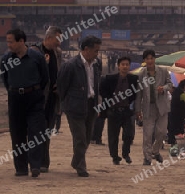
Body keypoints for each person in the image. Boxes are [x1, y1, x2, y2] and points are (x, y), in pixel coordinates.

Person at [1, 29, 49, 178]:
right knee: (17, 133)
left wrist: (34, 91)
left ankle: (35, 166)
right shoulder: (6, 59)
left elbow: (44, 78)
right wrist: (14, 90)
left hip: (34, 98)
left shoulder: (36, 57)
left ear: (21, 41)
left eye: (11, 41)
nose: (8, 44)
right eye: (7, 41)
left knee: (36, 132)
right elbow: (5, 79)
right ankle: (21, 168)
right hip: (15, 98)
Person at [57, 35, 102, 177]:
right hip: (75, 106)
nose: (97, 54)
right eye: (95, 51)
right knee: (80, 138)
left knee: (87, 137)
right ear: (86, 49)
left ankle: (76, 161)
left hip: (91, 105)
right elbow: (62, 87)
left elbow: (97, 85)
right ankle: (81, 166)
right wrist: (66, 105)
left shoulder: (97, 64)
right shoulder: (70, 65)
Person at [30, 26, 63, 173]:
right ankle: (34, 161)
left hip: (52, 98)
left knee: (47, 130)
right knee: (36, 130)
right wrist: (44, 64)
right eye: (57, 39)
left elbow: (59, 72)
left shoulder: (58, 53)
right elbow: (30, 73)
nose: (59, 43)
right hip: (38, 98)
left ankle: (44, 162)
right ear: (49, 38)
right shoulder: (35, 51)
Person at [135, 49, 173, 165]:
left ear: (154, 59)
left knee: (161, 132)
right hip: (148, 107)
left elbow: (170, 84)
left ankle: (155, 151)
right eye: (147, 59)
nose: (150, 61)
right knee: (147, 134)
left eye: (152, 58)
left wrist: (164, 88)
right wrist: (137, 110)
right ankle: (147, 157)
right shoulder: (141, 74)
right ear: (144, 60)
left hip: (162, 106)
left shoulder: (163, 71)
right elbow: (139, 93)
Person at [100, 56, 139, 165]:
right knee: (113, 136)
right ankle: (115, 157)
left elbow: (135, 94)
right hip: (113, 111)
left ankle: (126, 153)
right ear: (118, 66)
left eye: (127, 64)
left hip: (126, 110)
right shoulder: (110, 79)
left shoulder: (133, 79)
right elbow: (102, 90)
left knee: (128, 134)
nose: (125, 67)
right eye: (123, 64)